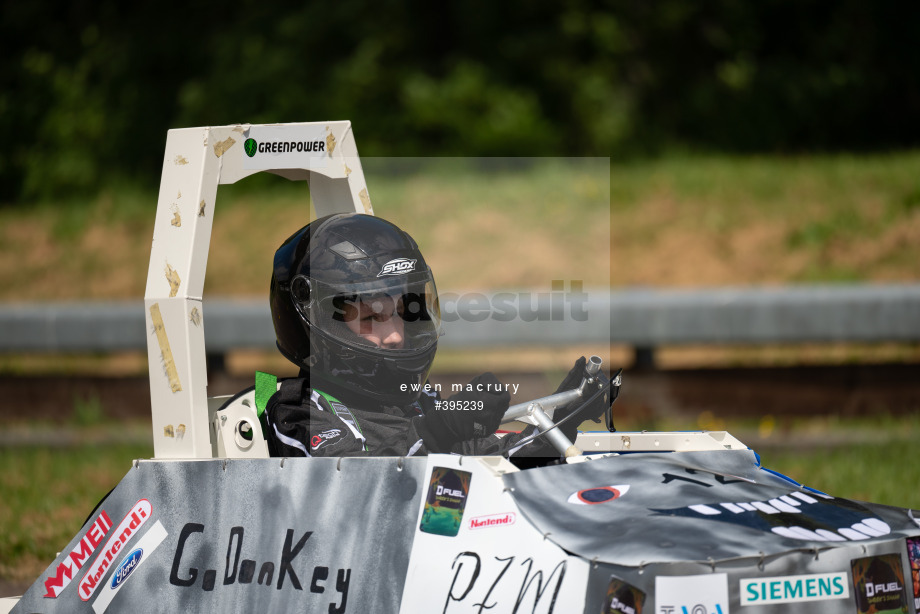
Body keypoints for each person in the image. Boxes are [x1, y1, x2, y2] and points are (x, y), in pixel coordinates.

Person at [263, 212, 613, 459]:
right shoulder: (298, 412)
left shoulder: (412, 401)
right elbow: (356, 488)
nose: (396, 336)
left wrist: (563, 418)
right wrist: (441, 429)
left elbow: (498, 462)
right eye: (372, 317)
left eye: (403, 314)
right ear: (318, 321)